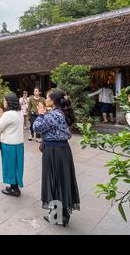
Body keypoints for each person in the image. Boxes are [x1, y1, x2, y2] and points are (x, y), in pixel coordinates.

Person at [33, 89, 80, 227]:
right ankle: (63, 214)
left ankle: (58, 216)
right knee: (62, 180)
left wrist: (40, 115)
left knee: (53, 180)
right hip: (62, 149)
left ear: (53, 100)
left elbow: (37, 128)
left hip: (54, 151)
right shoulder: (62, 113)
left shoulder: (53, 114)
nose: (45, 100)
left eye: (47, 97)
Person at [0, 94, 24, 197]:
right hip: (18, 144)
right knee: (16, 166)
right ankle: (14, 186)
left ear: (8, 102)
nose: (3, 103)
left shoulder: (9, 114)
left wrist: (0, 117)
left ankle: (14, 189)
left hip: (9, 144)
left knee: (10, 166)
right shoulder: (19, 112)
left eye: (4, 101)